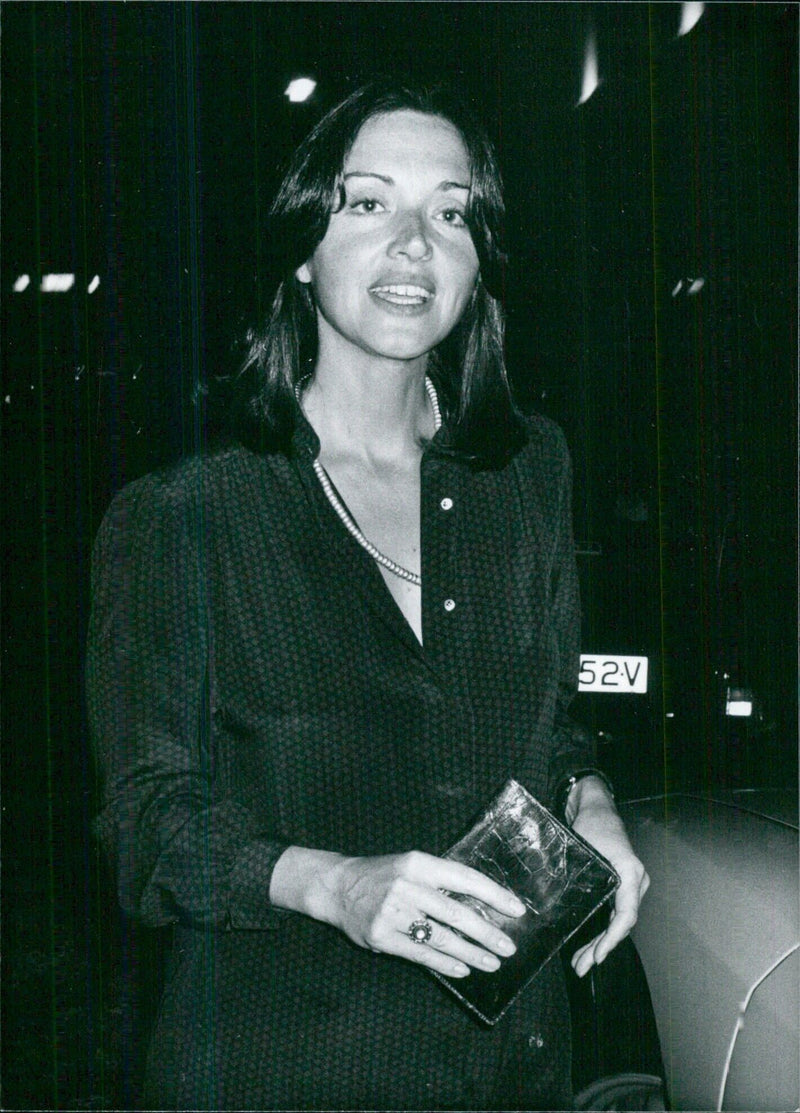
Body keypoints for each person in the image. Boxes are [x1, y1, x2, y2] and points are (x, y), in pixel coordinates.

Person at [87, 80, 649, 1111]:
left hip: (513, 1066)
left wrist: (593, 805)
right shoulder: (186, 514)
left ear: (479, 262)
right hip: (284, 1069)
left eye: (450, 211)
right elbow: (143, 820)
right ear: (302, 247)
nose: (412, 244)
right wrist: (334, 884)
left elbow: (551, 725)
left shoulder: (528, 474)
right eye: (367, 203)